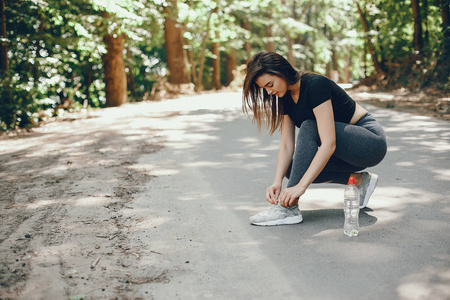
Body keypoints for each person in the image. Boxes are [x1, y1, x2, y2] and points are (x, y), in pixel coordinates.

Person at [242, 51, 387, 226]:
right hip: (345, 152)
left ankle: (288, 209)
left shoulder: (315, 85)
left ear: (280, 72)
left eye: (270, 84)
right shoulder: (284, 97)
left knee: (309, 126)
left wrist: (301, 187)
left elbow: (329, 144)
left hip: (369, 142)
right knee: (292, 168)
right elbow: (287, 145)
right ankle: (359, 181)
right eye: (264, 88)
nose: (269, 91)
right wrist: (277, 182)